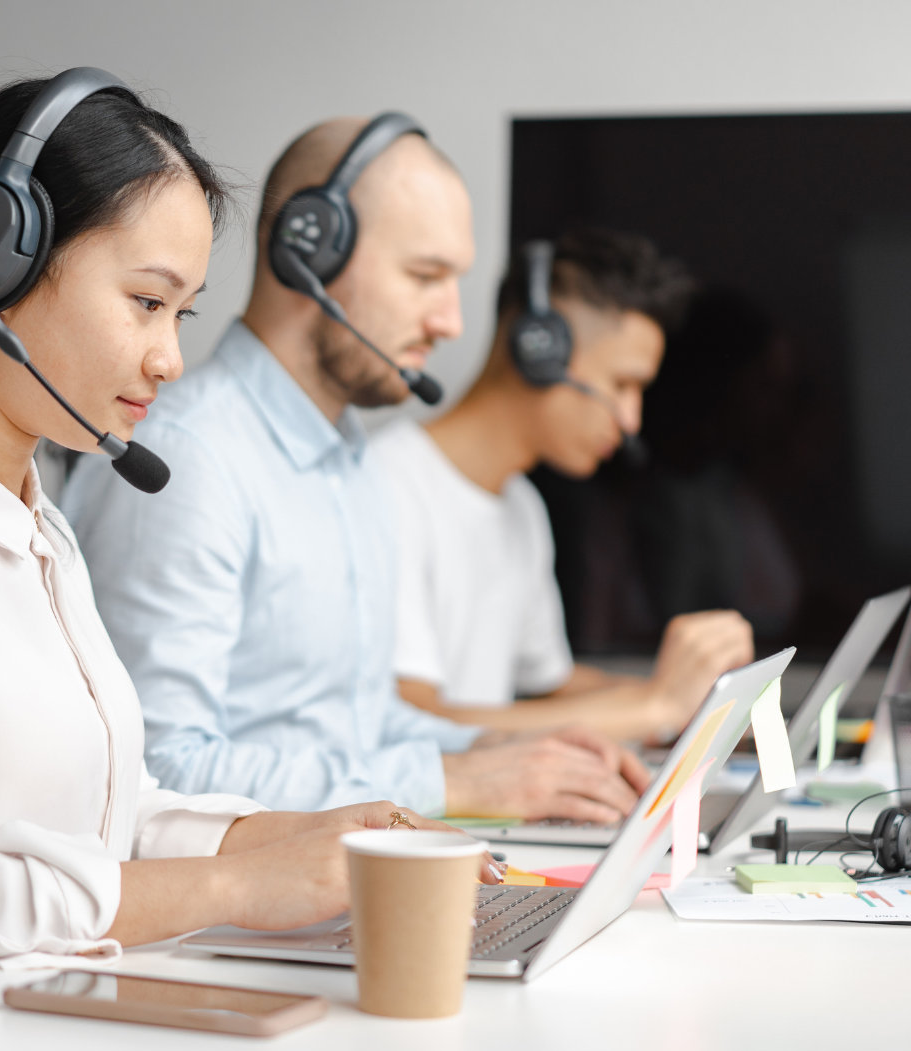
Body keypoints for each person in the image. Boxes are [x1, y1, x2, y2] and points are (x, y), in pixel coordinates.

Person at [0, 74, 491, 1014]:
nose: (170, 357)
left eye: (180, 315)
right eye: (147, 302)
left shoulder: (39, 530)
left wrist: (289, 839)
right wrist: (230, 890)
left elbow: (107, 814)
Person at [63, 116, 649, 821]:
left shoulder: (351, 464)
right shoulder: (191, 462)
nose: (451, 322)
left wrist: (506, 752)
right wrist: (458, 786)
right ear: (311, 247)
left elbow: (361, 729)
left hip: (334, 888)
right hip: (218, 922)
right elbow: (156, 770)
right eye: (425, 276)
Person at [369, 230, 755, 743]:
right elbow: (415, 724)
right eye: (622, 384)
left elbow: (552, 687)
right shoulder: (387, 486)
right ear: (538, 347)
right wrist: (651, 708)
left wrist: (696, 700)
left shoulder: (521, 507)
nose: (631, 421)